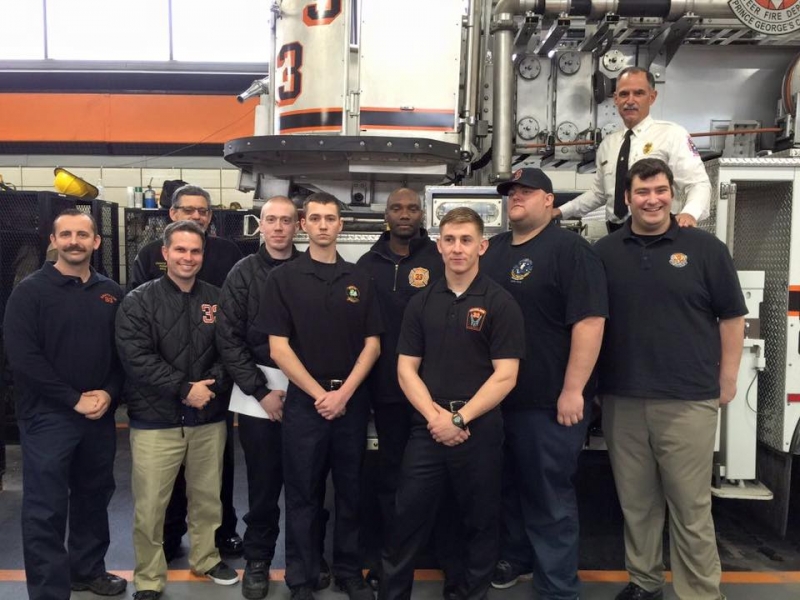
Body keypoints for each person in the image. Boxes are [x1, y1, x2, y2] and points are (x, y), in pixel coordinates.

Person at [593, 158, 746, 600]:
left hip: (688, 400)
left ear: (672, 193)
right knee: (637, 504)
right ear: (627, 198)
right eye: (642, 192)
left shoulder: (705, 249)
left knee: (690, 506)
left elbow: (732, 318)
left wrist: (728, 378)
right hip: (623, 398)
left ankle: (699, 592)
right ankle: (644, 582)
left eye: (660, 190)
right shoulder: (605, 253)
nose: (652, 199)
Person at [380, 207, 526, 600]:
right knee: (406, 518)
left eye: (465, 240)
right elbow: (406, 370)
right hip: (427, 428)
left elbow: (506, 375)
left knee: (479, 522)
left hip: (478, 428)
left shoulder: (501, 303)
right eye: (449, 240)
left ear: (482, 246)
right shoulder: (421, 303)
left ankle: (468, 593)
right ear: (439, 246)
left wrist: (459, 420)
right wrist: (436, 419)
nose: (457, 248)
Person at [482, 168, 608, 600]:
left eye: (526, 192)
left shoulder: (571, 251)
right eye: (511, 192)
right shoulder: (493, 250)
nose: (515, 198)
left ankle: (557, 585)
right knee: (508, 486)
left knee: (548, 494)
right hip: (496, 400)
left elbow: (589, 322)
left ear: (550, 201)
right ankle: (514, 558)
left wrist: (574, 390)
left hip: (549, 401)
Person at [263, 192, 383, 600]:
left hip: (350, 403)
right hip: (306, 405)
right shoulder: (283, 280)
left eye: (330, 218)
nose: (323, 225)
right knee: (302, 495)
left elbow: (373, 345)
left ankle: (349, 571)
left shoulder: (359, 280)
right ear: (304, 225)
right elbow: (279, 348)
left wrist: (344, 393)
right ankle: (302, 577)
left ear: (340, 225)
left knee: (351, 491)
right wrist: (320, 396)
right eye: (315, 218)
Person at [3, 209, 127, 600]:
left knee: (94, 495)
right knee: (46, 508)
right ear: (53, 242)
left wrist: (108, 393)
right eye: (66, 234)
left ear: (97, 242)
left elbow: (123, 354)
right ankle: (49, 591)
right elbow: (23, 359)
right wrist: (73, 400)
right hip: (48, 418)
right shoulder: (30, 292)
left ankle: (87, 570)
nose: (75, 240)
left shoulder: (111, 292)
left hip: (98, 415)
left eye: (82, 234)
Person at [116, 220, 239, 600]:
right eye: (180, 250)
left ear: (203, 255)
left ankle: (206, 557)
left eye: (195, 251)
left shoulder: (218, 300)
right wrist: (184, 388)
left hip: (208, 418)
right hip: (156, 421)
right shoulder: (138, 301)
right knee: (151, 506)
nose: (188, 257)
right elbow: (136, 358)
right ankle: (150, 579)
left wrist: (210, 388)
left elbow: (230, 351)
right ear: (165, 254)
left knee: (207, 498)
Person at [217, 196, 330, 600]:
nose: (279, 227)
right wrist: (261, 392)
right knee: (264, 486)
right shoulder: (242, 273)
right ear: (259, 225)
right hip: (257, 395)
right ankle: (259, 559)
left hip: (308, 392)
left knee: (309, 484)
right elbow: (228, 339)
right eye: (271, 220)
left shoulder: (314, 271)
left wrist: (309, 390)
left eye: (286, 220)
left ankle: (309, 557)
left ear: (298, 226)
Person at [356, 188, 460, 592]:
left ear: (423, 215)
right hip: (386, 391)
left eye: (412, 208)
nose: (405, 214)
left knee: (446, 478)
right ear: (386, 214)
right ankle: (392, 559)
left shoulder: (438, 260)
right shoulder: (368, 264)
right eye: (397, 208)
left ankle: (448, 560)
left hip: (435, 392)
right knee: (392, 478)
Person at [554, 66, 711, 231]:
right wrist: (560, 212)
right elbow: (598, 194)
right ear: (615, 99)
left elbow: (698, 183)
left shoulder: (672, 135)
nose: (630, 100)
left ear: (652, 97)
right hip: (617, 235)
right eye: (623, 94)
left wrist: (690, 214)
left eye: (638, 93)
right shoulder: (608, 144)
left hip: (659, 232)